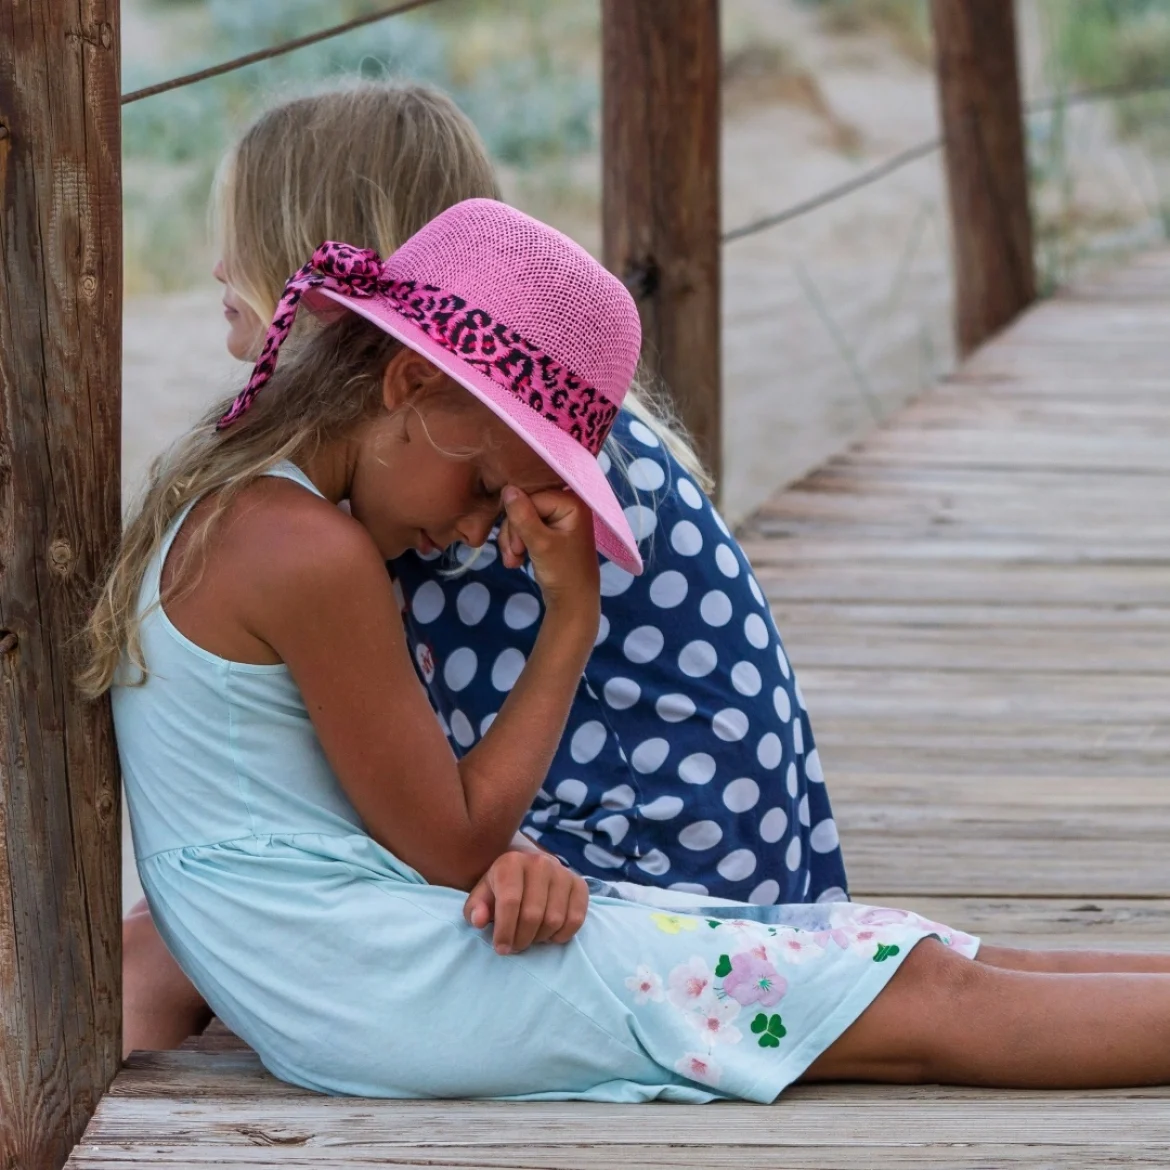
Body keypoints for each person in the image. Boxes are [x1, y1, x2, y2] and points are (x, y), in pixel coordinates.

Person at [92, 200, 1170, 1102]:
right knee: (925, 999)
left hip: (359, 967)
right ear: (409, 387)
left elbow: (365, 827)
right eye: (483, 488)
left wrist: (506, 861)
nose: (480, 532)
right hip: (383, 984)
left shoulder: (249, 512)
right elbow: (454, 842)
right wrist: (572, 620)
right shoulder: (304, 550)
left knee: (899, 949)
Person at [123, 81, 845, 1056]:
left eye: (245, 246)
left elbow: (431, 824)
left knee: (168, 951)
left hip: (656, 869)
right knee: (169, 937)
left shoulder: (478, 468)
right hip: (726, 852)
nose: (219, 267)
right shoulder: (501, 420)